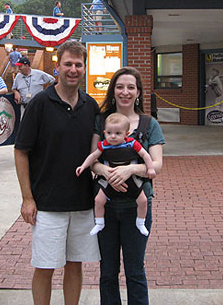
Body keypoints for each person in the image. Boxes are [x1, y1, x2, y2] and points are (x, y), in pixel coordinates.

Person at [14, 41, 100, 305]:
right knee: (45, 266)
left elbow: (98, 152)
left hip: (82, 202)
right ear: (57, 67)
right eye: (68, 64)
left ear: (84, 68)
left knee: (75, 265)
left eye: (78, 64)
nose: (73, 69)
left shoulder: (91, 106)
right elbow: (21, 151)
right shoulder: (40, 103)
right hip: (47, 204)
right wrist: (27, 198)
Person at [91, 67, 164, 305]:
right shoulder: (101, 121)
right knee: (108, 271)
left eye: (131, 87)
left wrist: (130, 169)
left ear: (138, 92)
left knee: (135, 270)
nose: (125, 92)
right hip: (107, 207)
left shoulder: (149, 123)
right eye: (120, 87)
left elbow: (157, 164)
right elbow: (93, 159)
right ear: (113, 91)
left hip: (137, 206)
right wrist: (106, 172)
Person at [76, 112, 156, 237]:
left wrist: (150, 169)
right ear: (104, 133)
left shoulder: (132, 144)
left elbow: (145, 155)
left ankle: (141, 222)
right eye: (109, 133)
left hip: (132, 180)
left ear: (126, 134)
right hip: (109, 180)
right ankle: (99, 222)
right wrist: (83, 166)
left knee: (143, 200)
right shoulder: (103, 146)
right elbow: (93, 156)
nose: (113, 136)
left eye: (118, 133)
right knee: (98, 200)